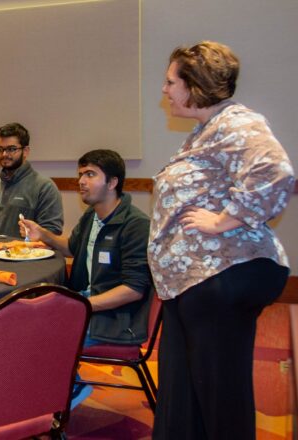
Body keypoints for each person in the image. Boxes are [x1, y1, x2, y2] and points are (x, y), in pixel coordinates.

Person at [150, 41, 294, 440]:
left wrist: (224, 220)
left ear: (193, 85)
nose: (164, 90)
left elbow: (275, 170)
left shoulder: (236, 122)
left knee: (219, 395)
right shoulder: (206, 131)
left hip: (219, 277)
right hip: (190, 284)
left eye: (170, 81)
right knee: (182, 394)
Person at [21, 149, 152, 407]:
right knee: (22, 321)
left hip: (117, 318)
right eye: (81, 174)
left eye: (90, 174)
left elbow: (134, 289)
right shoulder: (92, 216)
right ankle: (58, 391)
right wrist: (43, 234)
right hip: (87, 305)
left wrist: (81, 305)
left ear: (113, 182)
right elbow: (73, 247)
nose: (81, 181)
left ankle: (68, 392)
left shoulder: (136, 225)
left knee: (37, 335)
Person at [0, 122, 63, 238]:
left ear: (25, 151)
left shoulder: (44, 187)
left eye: (11, 149)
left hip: (23, 254)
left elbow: (52, 233)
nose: (5, 154)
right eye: (0, 149)